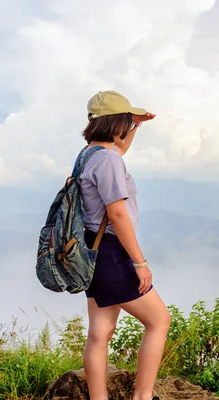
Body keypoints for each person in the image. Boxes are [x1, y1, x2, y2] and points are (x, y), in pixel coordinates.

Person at [78, 90, 171, 400]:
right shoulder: (107, 161)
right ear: (116, 122)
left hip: (92, 248)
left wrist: (135, 126)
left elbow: (117, 150)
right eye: (127, 121)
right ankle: (143, 396)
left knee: (99, 335)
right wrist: (140, 263)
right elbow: (117, 214)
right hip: (112, 253)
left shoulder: (89, 155)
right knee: (159, 320)